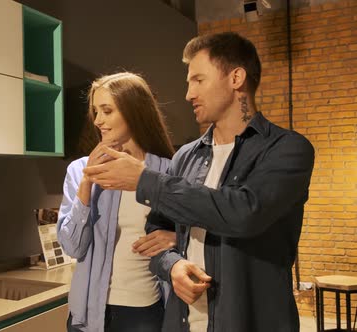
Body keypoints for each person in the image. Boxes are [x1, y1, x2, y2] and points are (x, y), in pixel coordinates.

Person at [82, 32, 315, 332]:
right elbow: (157, 232)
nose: (188, 94)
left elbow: (243, 213)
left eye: (198, 80)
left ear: (236, 78)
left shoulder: (287, 149)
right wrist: (172, 265)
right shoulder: (185, 157)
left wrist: (145, 180)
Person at [57, 72, 177, 332]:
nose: (98, 121)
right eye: (95, 112)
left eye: (107, 110)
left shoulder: (168, 171)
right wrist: (87, 182)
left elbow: (198, 237)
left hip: (144, 312)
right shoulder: (79, 170)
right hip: (89, 315)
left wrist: (177, 237)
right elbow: (73, 247)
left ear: (135, 111)